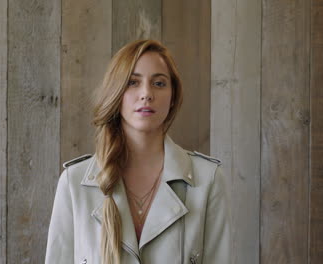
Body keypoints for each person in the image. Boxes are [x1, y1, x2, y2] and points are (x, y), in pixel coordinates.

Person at [45, 39, 230, 264]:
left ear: (173, 97)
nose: (146, 94)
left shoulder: (207, 181)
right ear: (116, 93)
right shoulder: (74, 184)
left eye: (159, 83)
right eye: (133, 82)